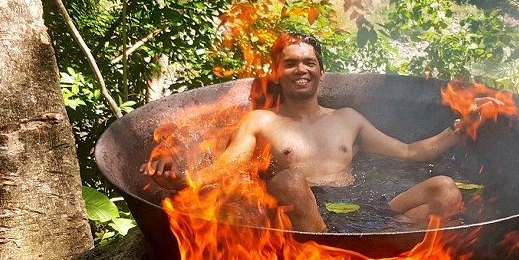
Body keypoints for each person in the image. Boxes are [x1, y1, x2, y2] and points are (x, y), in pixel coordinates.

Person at [146, 31, 497, 233]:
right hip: (304, 213)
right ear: (277, 73)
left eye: (309, 62)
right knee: (288, 181)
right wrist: (184, 181)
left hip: (361, 207)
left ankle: (387, 252)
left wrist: (460, 127)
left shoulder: (348, 118)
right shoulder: (260, 122)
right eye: (291, 63)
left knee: (446, 190)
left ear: (321, 72)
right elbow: (227, 169)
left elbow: (410, 152)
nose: (301, 68)